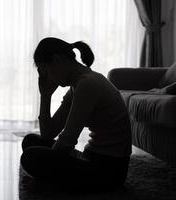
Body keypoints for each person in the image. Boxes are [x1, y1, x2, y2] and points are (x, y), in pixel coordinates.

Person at [20, 37, 132, 193]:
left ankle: (53, 183)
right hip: (93, 157)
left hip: (110, 171)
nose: (47, 79)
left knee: (30, 157)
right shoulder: (77, 85)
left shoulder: (87, 84)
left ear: (57, 60)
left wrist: (47, 163)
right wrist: (45, 96)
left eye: (46, 73)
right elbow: (48, 133)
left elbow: (67, 141)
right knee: (31, 141)